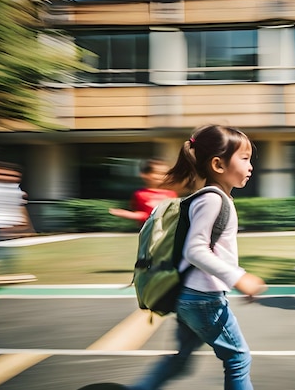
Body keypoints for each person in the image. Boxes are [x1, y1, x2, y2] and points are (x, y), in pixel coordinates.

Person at [131, 124, 267, 390]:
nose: (251, 166)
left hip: (191, 296)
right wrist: (239, 277)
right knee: (238, 358)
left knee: (181, 359)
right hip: (203, 299)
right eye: (245, 158)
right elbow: (195, 250)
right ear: (218, 164)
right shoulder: (213, 199)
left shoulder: (210, 198)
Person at [109, 159, 177, 226]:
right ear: (145, 175)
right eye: (158, 173)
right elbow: (143, 215)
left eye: (165, 173)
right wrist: (131, 215)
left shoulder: (171, 194)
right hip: (151, 232)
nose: (162, 176)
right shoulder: (140, 194)